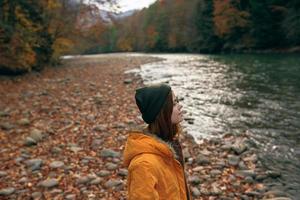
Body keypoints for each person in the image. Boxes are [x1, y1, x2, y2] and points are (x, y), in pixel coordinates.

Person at [123, 83, 191, 200]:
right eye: (174, 103)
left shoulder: (171, 145)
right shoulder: (144, 164)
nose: (180, 106)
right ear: (162, 112)